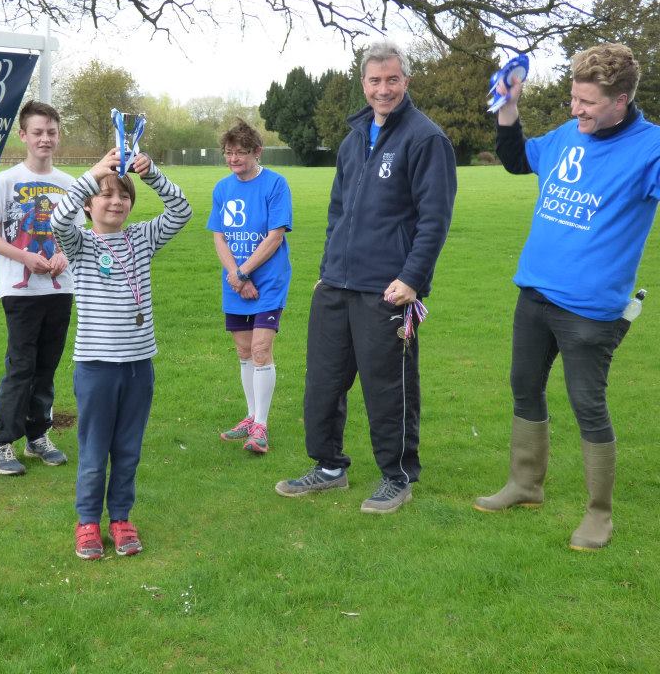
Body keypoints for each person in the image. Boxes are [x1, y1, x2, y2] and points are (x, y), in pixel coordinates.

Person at [474, 43, 660, 551]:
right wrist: (509, 105)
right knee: (524, 388)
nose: (576, 110)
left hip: (592, 311)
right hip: (535, 293)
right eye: (574, 98)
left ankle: (599, 514)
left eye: (588, 102)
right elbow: (516, 160)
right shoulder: (569, 135)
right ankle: (525, 484)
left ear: (621, 100)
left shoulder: (650, 149)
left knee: (587, 405)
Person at [275, 39, 457, 513]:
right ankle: (329, 466)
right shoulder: (354, 137)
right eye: (375, 81)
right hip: (337, 284)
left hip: (388, 290)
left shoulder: (426, 138)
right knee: (323, 382)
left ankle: (396, 476)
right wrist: (326, 271)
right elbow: (338, 211)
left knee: (388, 387)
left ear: (406, 81)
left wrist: (413, 279)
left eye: (392, 79)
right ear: (363, 83)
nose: (383, 89)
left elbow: (434, 219)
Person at [51, 149, 192, 559]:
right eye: (105, 194)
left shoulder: (142, 238)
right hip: (96, 367)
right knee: (94, 451)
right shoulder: (79, 244)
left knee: (128, 448)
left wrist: (153, 175)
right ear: (89, 203)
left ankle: (121, 519)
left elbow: (180, 211)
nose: (115, 202)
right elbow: (59, 217)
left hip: (138, 366)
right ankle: (88, 524)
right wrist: (93, 173)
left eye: (123, 195)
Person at [0, 101, 84, 475]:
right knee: (21, 365)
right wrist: (24, 258)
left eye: (51, 132)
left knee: (47, 365)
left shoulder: (71, 185)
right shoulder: (5, 182)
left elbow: (80, 237)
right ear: (23, 135)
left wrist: (65, 258)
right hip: (20, 291)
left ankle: (37, 435)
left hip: (59, 288)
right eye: (37, 132)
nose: (45, 139)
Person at [208, 120, 292, 454]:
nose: (233, 159)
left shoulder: (275, 184)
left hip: (268, 284)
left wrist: (244, 273)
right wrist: (236, 276)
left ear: (257, 152)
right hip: (235, 282)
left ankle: (262, 426)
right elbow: (219, 236)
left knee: (260, 350)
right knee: (243, 352)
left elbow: (276, 235)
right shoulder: (222, 189)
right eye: (228, 153)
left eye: (240, 153)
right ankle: (250, 415)